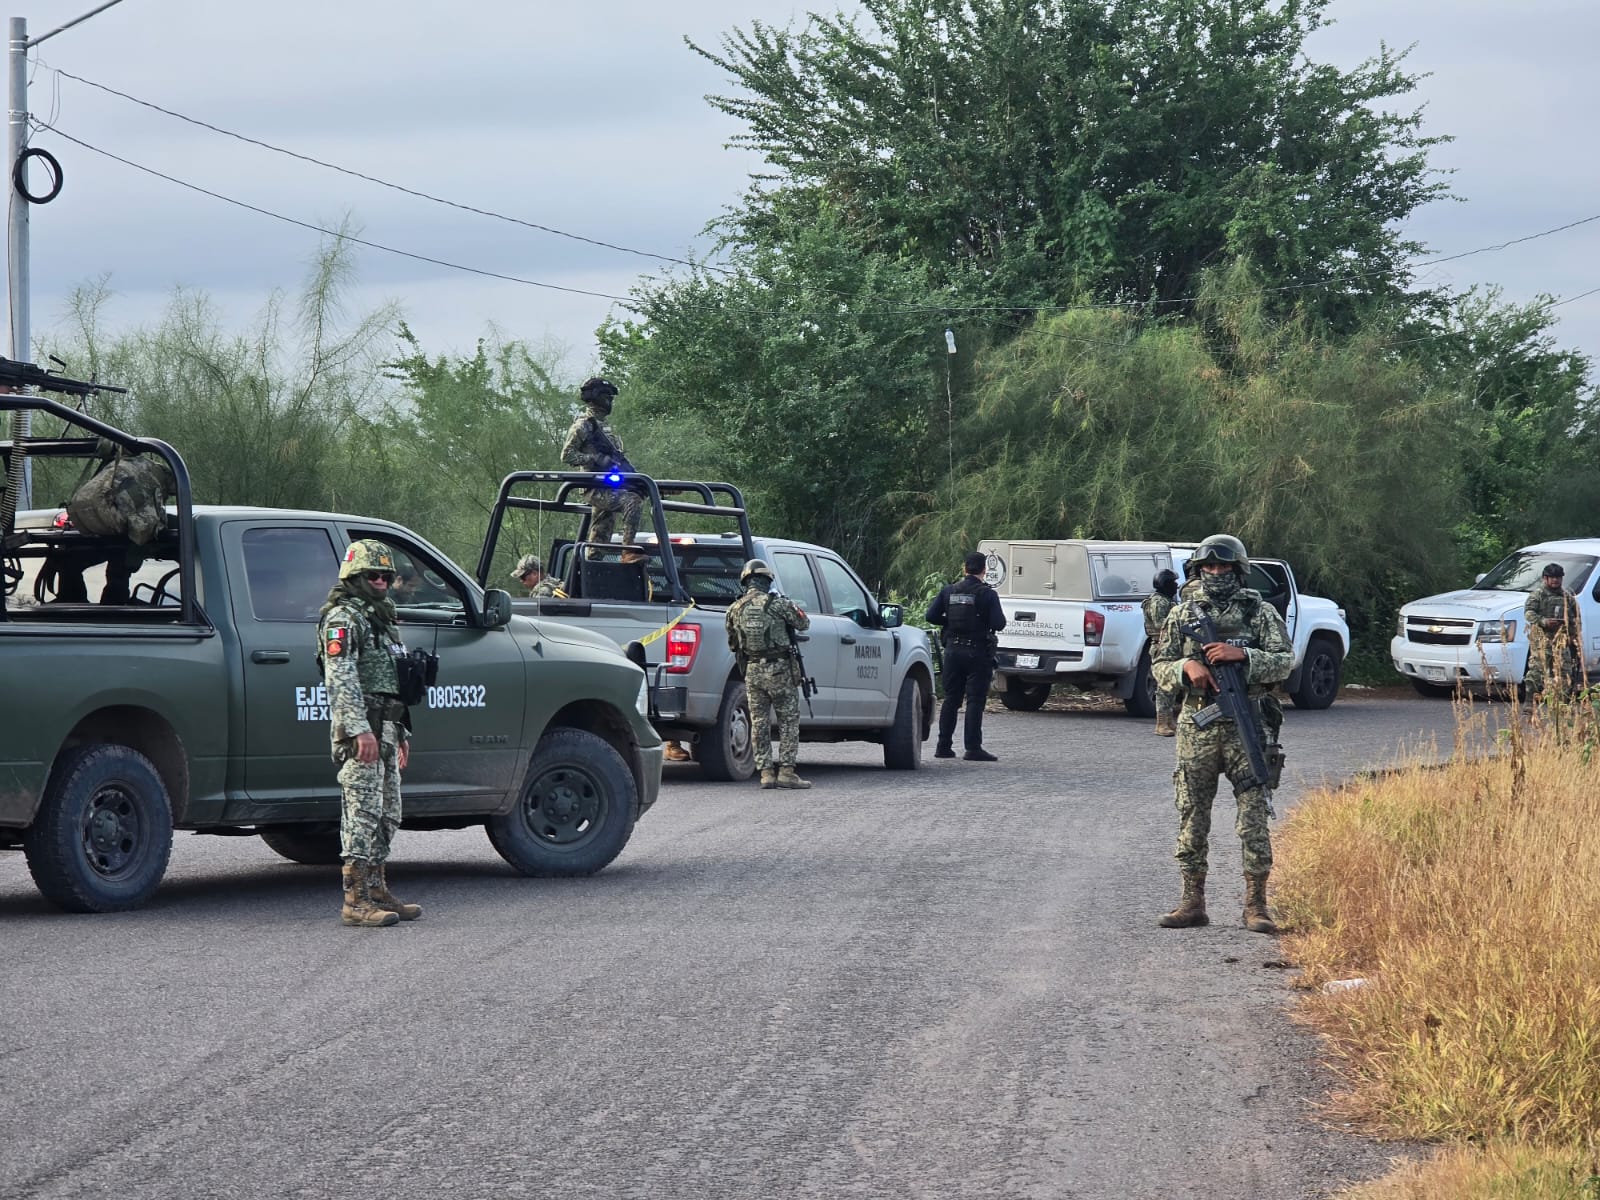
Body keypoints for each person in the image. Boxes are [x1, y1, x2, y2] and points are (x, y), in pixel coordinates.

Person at [1151, 534, 1292, 934]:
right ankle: (1192, 902)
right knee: (1192, 813)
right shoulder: (1182, 614)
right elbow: (1159, 666)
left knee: (1254, 817)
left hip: (1248, 725)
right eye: (1209, 567)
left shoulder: (1259, 612)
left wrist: (1243, 655)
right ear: (1199, 571)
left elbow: (1285, 661)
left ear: (1238, 570)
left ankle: (1256, 905)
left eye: (1224, 566)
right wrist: (1184, 668)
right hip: (1198, 724)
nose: (1216, 573)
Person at [316, 539, 422, 929]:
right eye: (372, 575)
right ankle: (355, 900)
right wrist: (359, 729)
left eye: (386, 576)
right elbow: (340, 677)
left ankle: (377, 889)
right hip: (362, 730)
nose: (380, 581)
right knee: (361, 812)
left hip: (387, 728)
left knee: (388, 812)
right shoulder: (343, 619)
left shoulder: (381, 616)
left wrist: (401, 731)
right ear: (355, 576)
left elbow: (393, 681)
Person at [726, 558, 811, 789]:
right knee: (788, 720)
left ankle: (765, 773)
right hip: (780, 670)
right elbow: (804, 623)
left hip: (752, 670)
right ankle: (786, 772)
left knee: (759, 722)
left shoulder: (735, 608)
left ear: (746, 581)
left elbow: (733, 644)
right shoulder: (778, 604)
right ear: (767, 580)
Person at [925, 550, 1007, 761]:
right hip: (977, 653)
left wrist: (950, 621)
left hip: (952, 651)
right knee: (975, 700)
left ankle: (943, 746)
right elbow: (999, 623)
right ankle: (972, 748)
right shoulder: (988, 594)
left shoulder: (948, 591)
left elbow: (931, 616)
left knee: (951, 699)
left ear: (964, 569)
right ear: (984, 570)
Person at [561, 377, 643, 561]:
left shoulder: (604, 427)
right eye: (607, 397)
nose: (610, 401)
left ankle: (592, 565)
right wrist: (595, 458)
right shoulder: (583, 425)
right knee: (632, 501)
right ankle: (628, 551)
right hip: (594, 486)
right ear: (597, 397)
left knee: (601, 532)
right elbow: (566, 455)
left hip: (609, 485)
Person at [1523, 562, 1581, 698]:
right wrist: (1544, 622)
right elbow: (1529, 613)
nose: (1555, 580)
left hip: (1561, 641)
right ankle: (1529, 702)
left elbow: (1576, 617)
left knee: (1565, 672)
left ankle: (1562, 702)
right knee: (1537, 672)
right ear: (1545, 578)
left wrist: (1573, 636)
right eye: (1552, 577)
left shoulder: (1567, 597)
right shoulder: (1537, 595)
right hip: (1542, 641)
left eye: (1558, 577)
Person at [1143, 568, 1181, 737]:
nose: (1176, 586)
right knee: (1163, 686)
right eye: (1172, 582)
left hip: (1169, 645)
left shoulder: (1166, 600)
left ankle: (1168, 721)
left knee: (1171, 685)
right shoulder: (1159, 602)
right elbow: (1161, 625)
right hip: (1162, 646)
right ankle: (1161, 723)